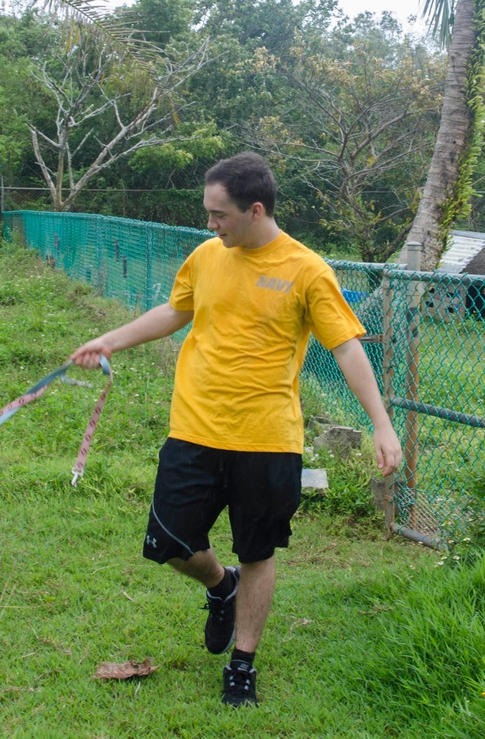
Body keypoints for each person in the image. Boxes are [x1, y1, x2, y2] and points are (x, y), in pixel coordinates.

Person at [70, 152, 401, 707]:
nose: (210, 225)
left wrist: (382, 426)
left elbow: (346, 347)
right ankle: (219, 587)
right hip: (194, 428)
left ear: (254, 210)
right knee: (168, 543)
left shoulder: (307, 269)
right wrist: (111, 339)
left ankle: (242, 664)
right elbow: (177, 311)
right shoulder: (206, 256)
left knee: (258, 553)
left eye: (218, 215)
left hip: (267, 439)